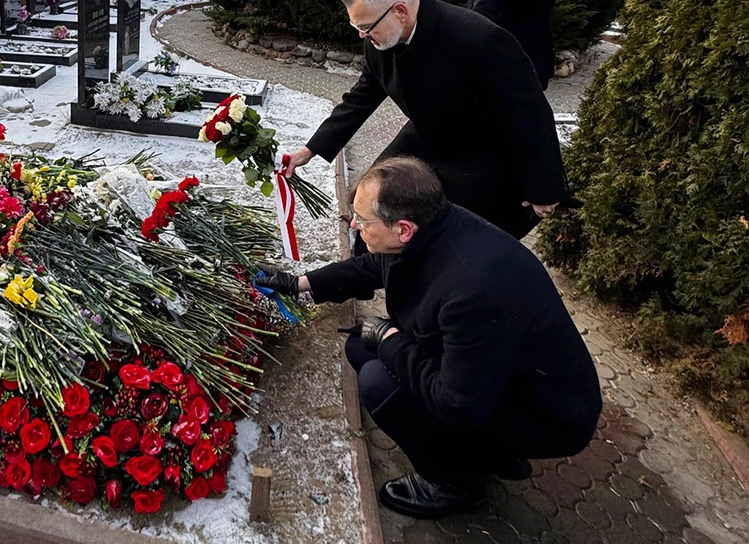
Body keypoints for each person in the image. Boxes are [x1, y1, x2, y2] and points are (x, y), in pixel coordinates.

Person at [255, 157, 601, 519]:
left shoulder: (472, 290)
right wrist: (299, 284)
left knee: (378, 384)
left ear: (403, 229)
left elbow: (457, 404)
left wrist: (390, 339)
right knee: (360, 346)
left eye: (363, 220)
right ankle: (489, 454)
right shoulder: (433, 224)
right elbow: (375, 266)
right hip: (497, 374)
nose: (355, 226)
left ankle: (456, 485)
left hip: (547, 412)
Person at [285, 0, 568, 240]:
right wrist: (311, 149)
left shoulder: (480, 40)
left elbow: (530, 115)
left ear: (400, 11)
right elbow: (362, 96)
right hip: (425, 137)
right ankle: (360, 276)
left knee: (451, 240)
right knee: (373, 206)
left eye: (367, 26)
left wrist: (543, 188)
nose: (362, 34)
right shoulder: (381, 38)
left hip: (481, 153)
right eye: (357, 25)